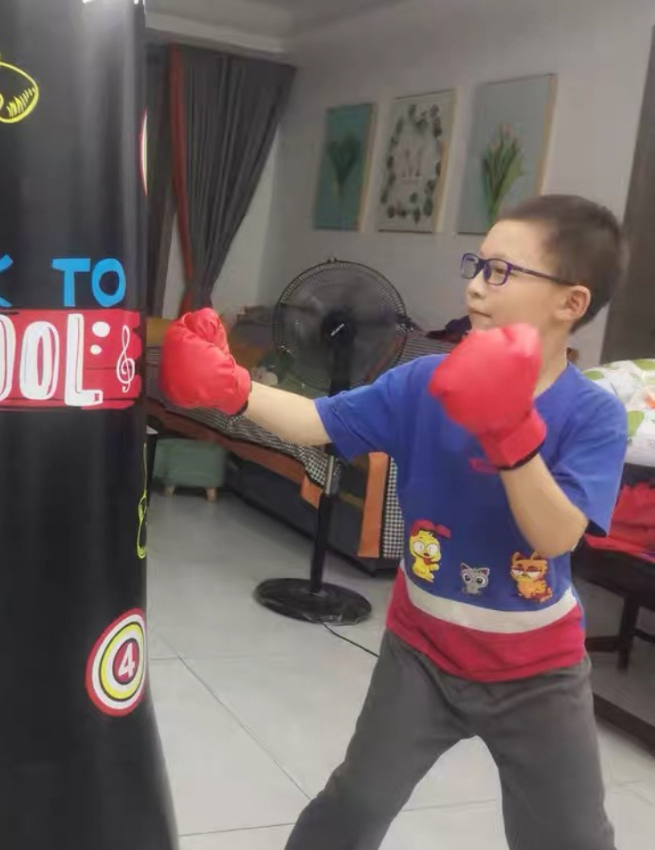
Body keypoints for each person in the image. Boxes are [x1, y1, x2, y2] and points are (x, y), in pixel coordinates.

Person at [159, 194, 628, 850]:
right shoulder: (424, 381)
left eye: (501, 272)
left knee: (570, 837)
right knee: (354, 803)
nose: (475, 285)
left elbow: (556, 536)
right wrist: (231, 388)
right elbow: (319, 422)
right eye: (477, 264)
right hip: (422, 652)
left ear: (570, 302)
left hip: (537, 672)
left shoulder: (593, 415)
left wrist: (510, 432)